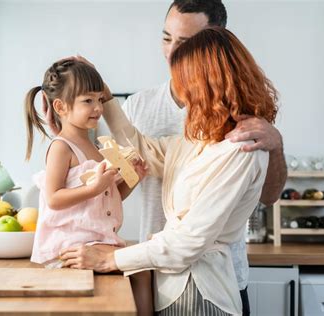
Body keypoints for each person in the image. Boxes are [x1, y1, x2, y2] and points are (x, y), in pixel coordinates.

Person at [61, 26, 279, 315]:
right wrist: (106, 97)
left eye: (185, 83)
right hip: (174, 289)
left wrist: (110, 259)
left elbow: (188, 243)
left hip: (202, 293)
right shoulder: (202, 139)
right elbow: (142, 148)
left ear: (209, 85)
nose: (182, 93)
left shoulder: (242, 149)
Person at [118, 1, 287, 314]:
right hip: (155, 275)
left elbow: (268, 196)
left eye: (184, 43)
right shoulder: (150, 111)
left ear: (214, 44)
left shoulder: (244, 137)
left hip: (209, 281)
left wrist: (275, 146)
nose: (171, 52)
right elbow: (141, 154)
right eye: (166, 38)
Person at [23, 59, 152, 315]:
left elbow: (107, 197)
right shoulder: (61, 147)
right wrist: (94, 188)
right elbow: (54, 198)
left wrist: (133, 179)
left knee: (142, 267)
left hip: (94, 241)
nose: (97, 108)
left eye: (99, 99)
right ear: (60, 106)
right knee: (141, 268)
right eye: (88, 101)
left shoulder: (95, 148)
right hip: (70, 245)